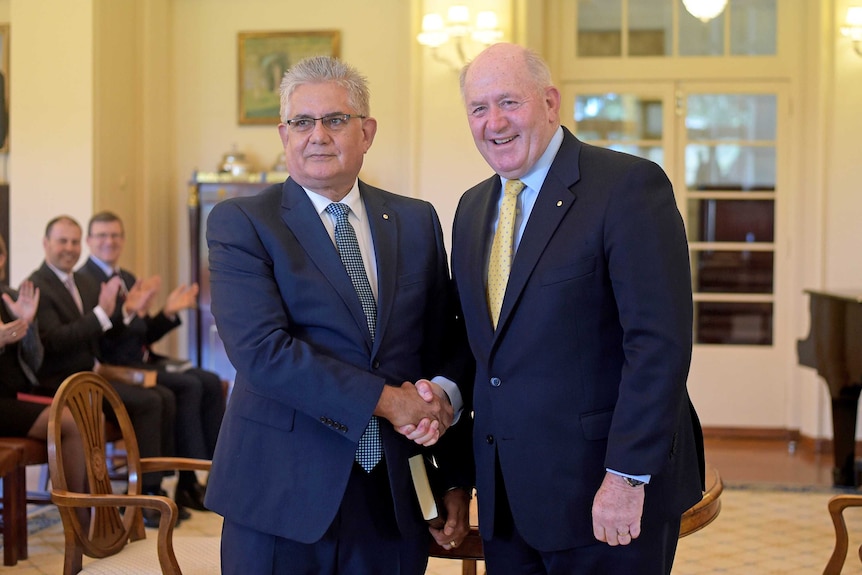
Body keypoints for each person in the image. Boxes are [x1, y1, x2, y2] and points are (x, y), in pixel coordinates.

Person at [204, 55, 474, 574]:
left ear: (367, 132)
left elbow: (448, 345)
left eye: (335, 120)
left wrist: (452, 477)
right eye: (302, 122)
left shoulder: (416, 221)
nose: (318, 135)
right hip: (280, 495)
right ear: (284, 135)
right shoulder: (241, 222)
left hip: (393, 494)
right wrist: (388, 401)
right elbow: (262, 353)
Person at [451, 43, 705, 574]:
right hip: (508, 500)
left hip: (604, 494)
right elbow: (483, 352)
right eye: (478, 108)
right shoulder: (472, 208)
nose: (493, 122)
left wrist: (626, 477)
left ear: (549, 102)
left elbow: (658, 346)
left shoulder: (628, 187)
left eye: (508, 103)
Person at [29, 215, 179, 527]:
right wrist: (102, 314)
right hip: (65, 384)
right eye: (62, 241)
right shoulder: (38, 286)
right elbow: (55, 341)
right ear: (46, 244)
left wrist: (126, 312)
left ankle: (153, 488)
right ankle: (144, 497)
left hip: (94, 378)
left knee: (162, 394)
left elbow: (103, 335)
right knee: (151, 401)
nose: (69, 248)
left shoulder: (78, 282)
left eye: (73, 241)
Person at [79, 211, 224, 512]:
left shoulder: (128, 278)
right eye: (102, 236)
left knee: (208, 380)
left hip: (142, 361)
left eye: (115, 235)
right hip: (117, 369)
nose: (109, 241)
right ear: (89, 241)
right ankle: (179, 480)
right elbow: (102, 342)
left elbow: (142, 337)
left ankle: (207, 475)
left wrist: (168, 313)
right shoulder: (83, 283)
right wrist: (128, 312)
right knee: (186, 386)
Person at [0, 236, 87, 496]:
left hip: (14, 397)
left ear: (2, 259)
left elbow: (34, 363)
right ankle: (81, 523)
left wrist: (27, 326)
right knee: (70, 422)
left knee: (81, 416)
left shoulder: (10, 298)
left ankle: (93, 511)